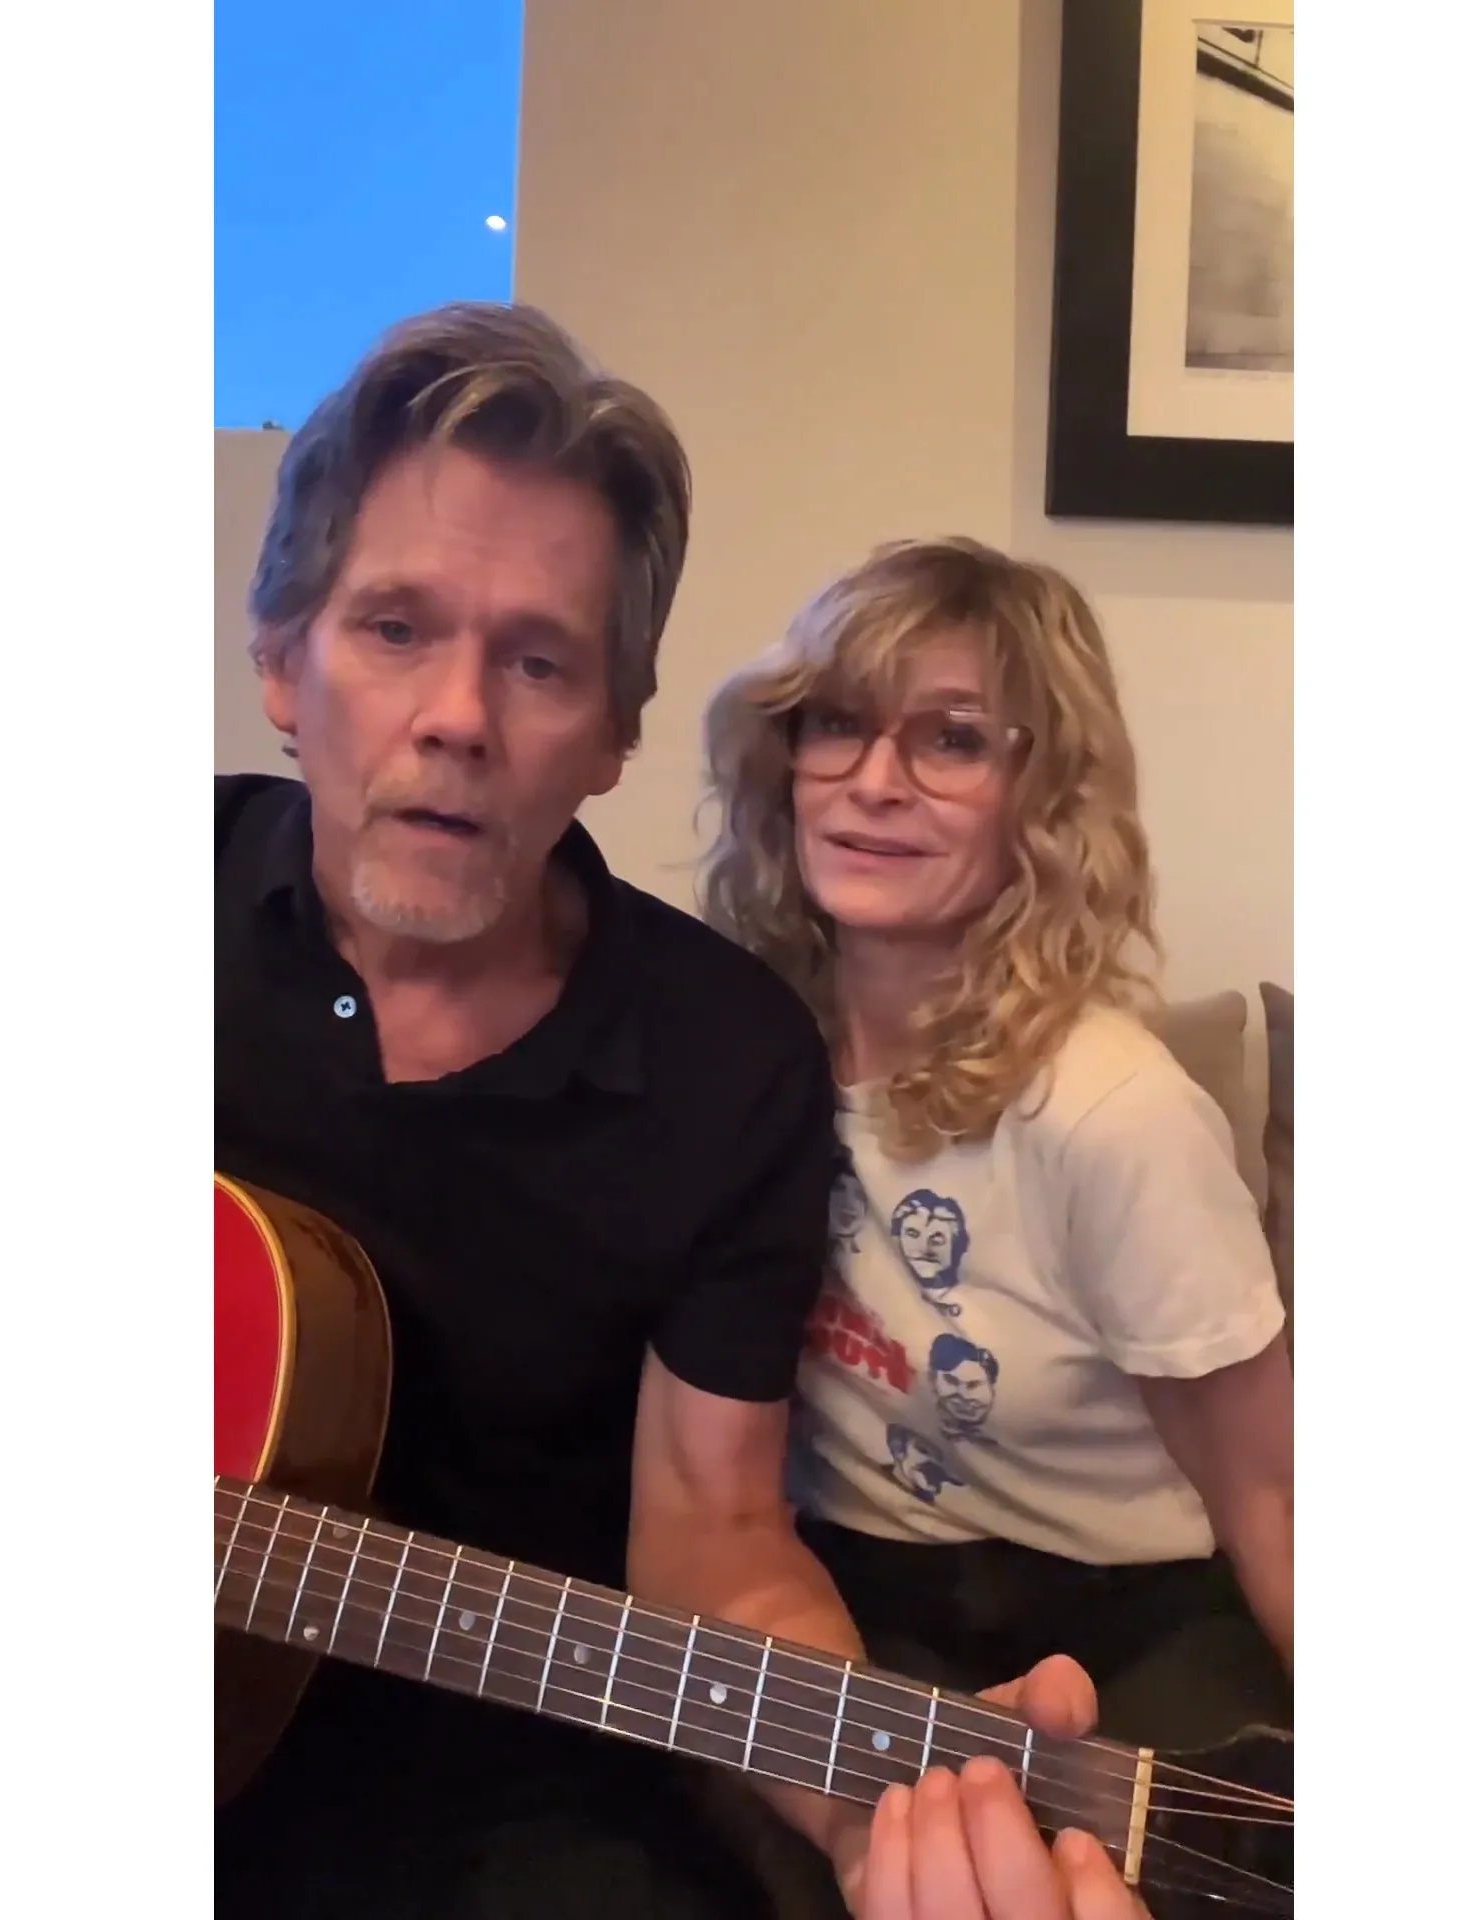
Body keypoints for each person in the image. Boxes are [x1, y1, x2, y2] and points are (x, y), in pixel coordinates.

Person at [215, 304, 1155, 1920]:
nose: (458, 715)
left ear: (613, 732)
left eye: (537, 661)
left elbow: (715, 1534)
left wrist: (866, 1815)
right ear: (280, 664)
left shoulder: (725, 1061)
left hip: (495, 1783)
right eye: (394, 628)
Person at [700, 538, 1294, 1742]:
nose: (875, 782)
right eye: (838, 725)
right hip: (844, 1599)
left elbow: (1273, 1495)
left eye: (954, 740)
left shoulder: (1112, 1110)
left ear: (1046, 796)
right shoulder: (735, 1054)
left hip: (1124, 1627)